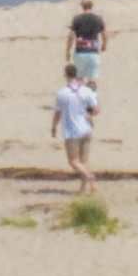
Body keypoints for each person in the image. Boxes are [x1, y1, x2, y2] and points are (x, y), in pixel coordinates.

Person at [51, 63, 99, 193]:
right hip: (86, 128)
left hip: (72, 131)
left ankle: (90, 178)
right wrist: (88, 115)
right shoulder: (86, 90)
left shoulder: (62, 93)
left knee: (73, 161)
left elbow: (58, 113)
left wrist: (54, 127)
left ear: (66, 75)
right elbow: (96, 110)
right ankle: (84, 189)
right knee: (83, 161)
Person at [67, 0, 109, 84]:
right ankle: (91, 96)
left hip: (80, 51)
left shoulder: (77, 19)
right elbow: (104, 34)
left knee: (79, 78)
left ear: (82, 6)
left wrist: (67, 50)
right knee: (92, 79)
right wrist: (104, 45)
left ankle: (80, 96)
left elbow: (71, 36)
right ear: (92, 6)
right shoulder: (98, 19)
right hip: (93, 51)